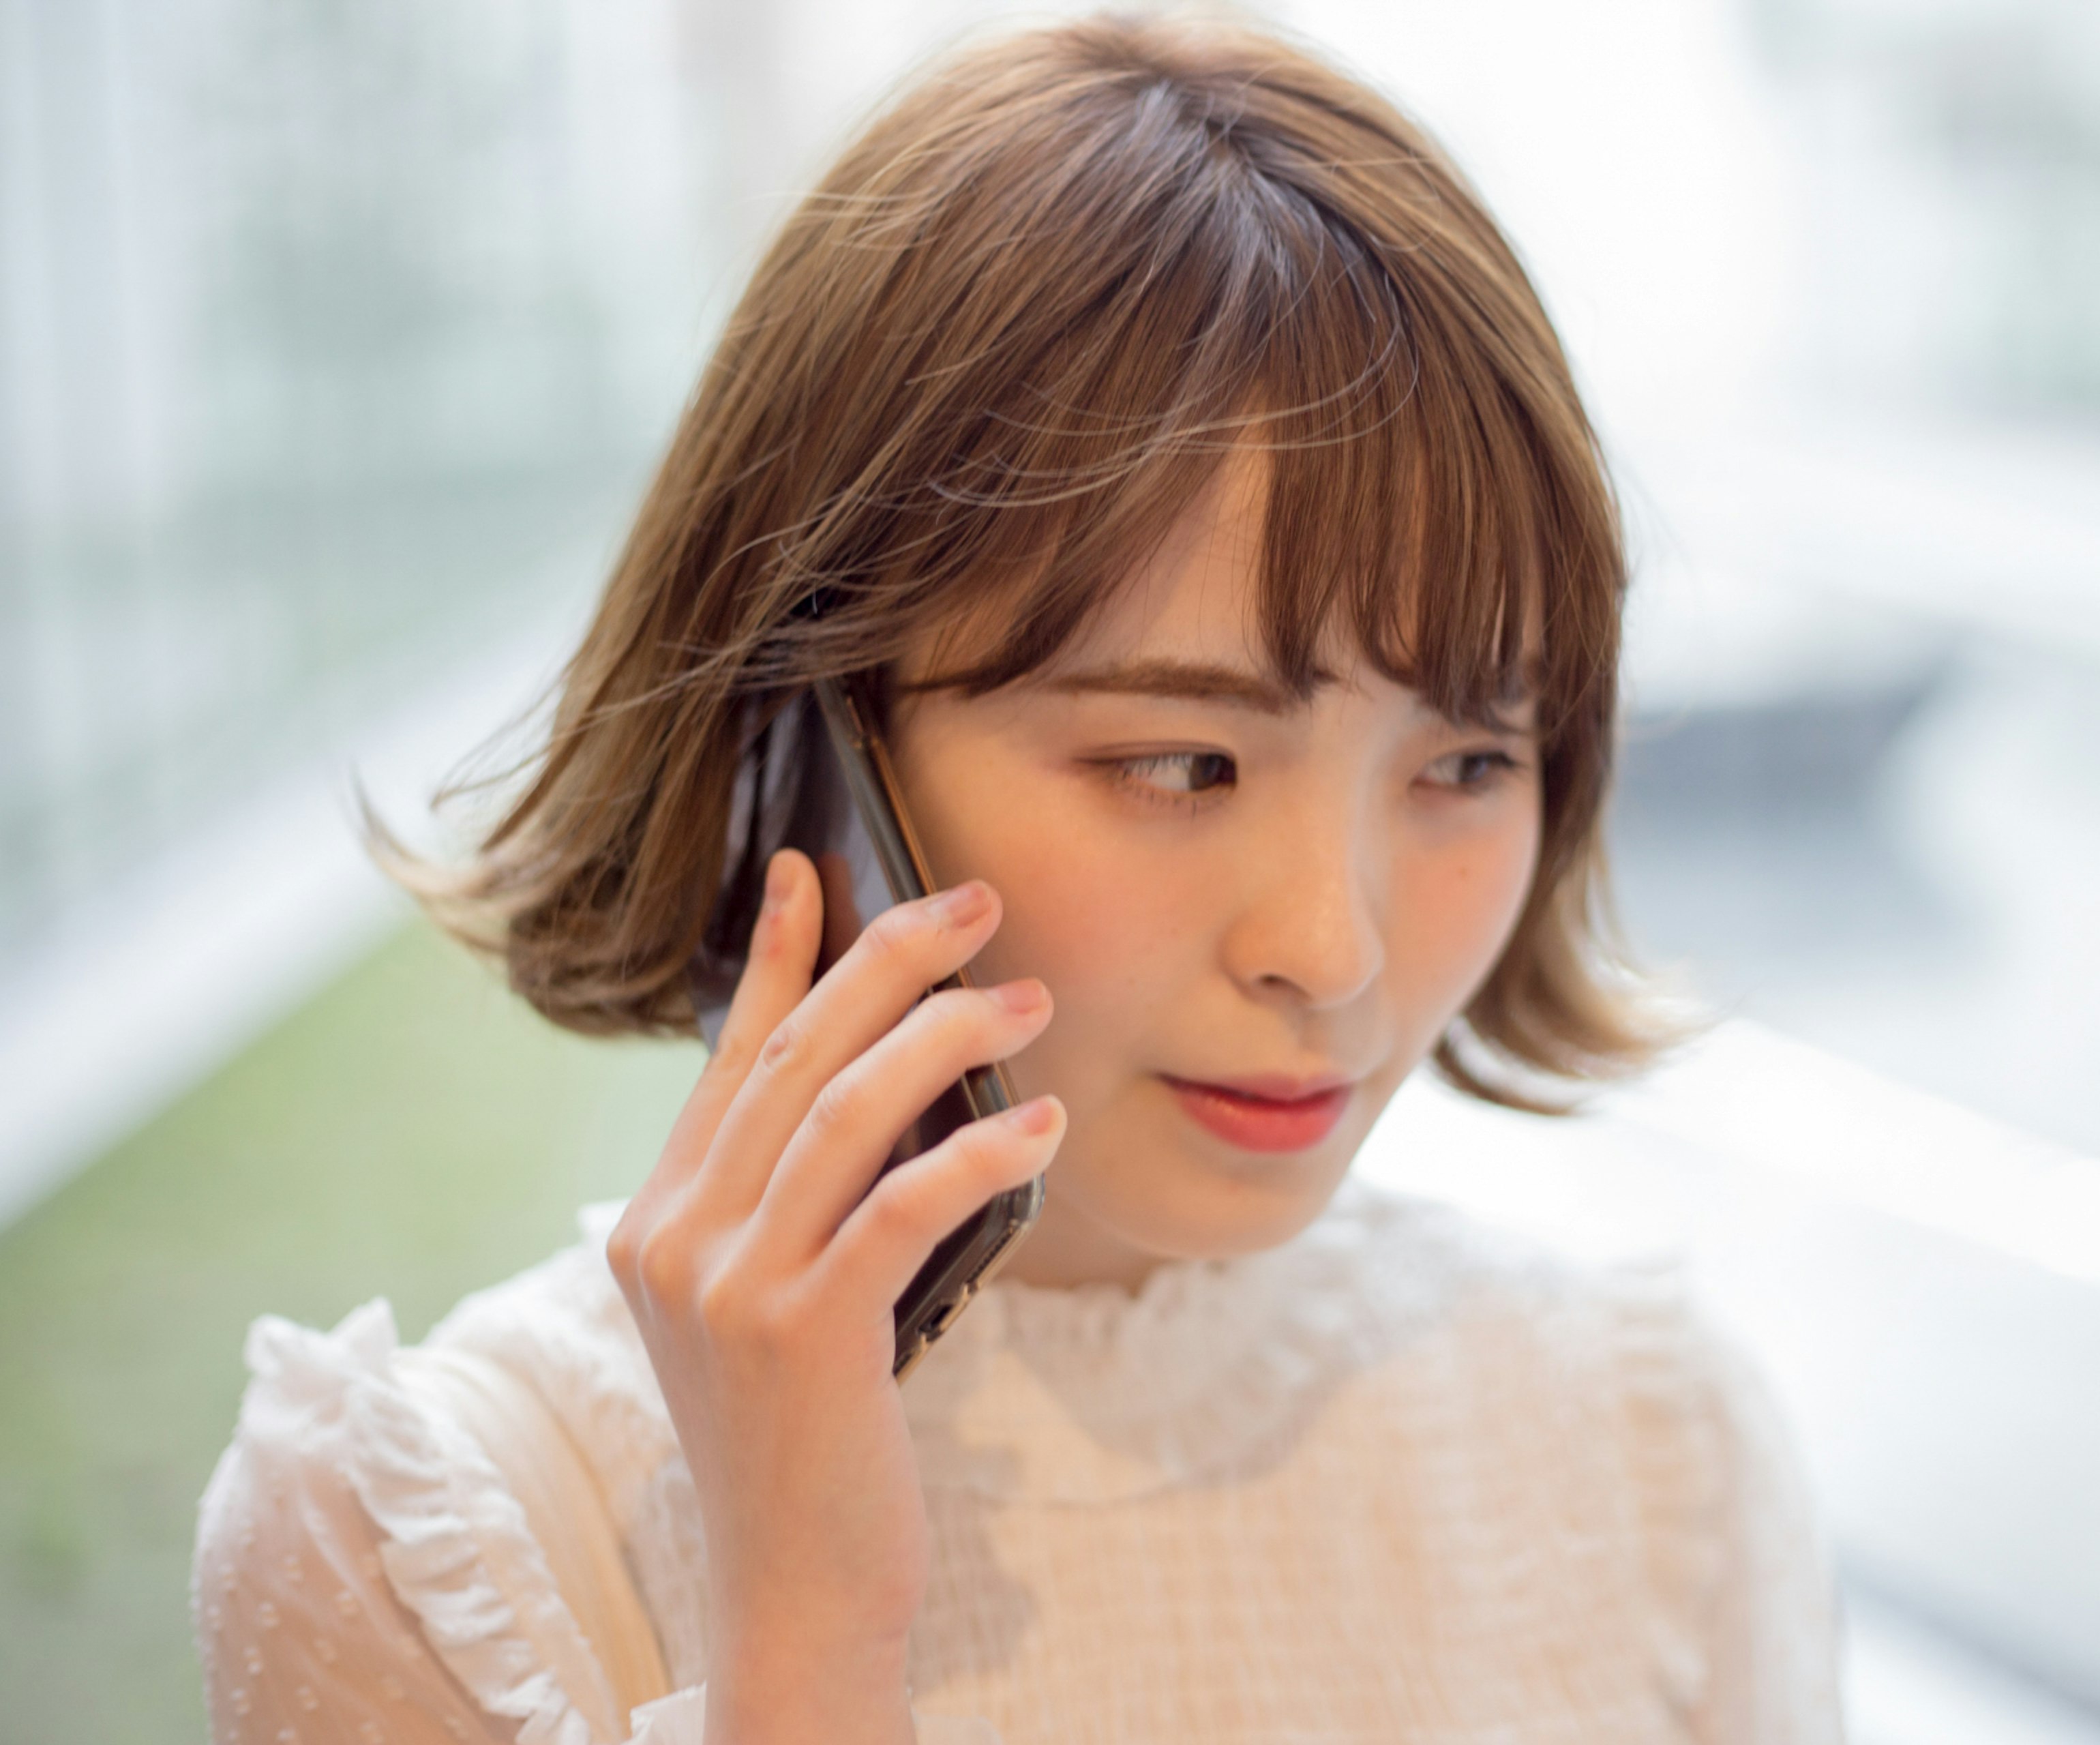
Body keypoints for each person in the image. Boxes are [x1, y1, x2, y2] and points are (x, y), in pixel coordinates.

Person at [191, 14, 1843, 1743]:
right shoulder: (428, 1531)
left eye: (1466, 764)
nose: (1333, 949)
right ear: (809, 752)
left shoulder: (1653, 1446)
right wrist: (808, 1638)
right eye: (1178, 762)